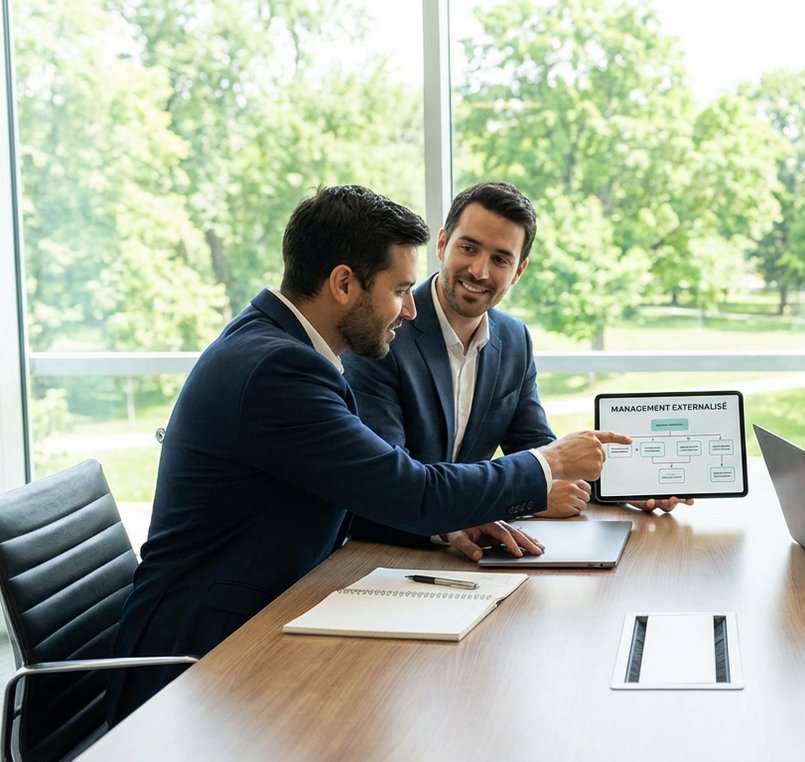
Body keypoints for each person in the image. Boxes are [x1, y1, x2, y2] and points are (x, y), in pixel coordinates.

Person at [108, 185, 630, 722]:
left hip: (269, 615)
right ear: (343, 284)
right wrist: (550, 463)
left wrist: (450, 527)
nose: (409, 309)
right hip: (201, 661)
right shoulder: (279, 371)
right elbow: (411, 489)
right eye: (400, 289)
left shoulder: (288, 349)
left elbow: (357, 492)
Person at [345, 182, 687, 556]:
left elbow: (537, 447)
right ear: (442, 244)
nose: (479, 270)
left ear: (519, 270)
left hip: (477, 554)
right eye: (469, 248)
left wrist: (625, 483)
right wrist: (523, 498)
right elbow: (385, 489)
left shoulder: (514, 338)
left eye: (501, 259)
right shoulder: (384, 333)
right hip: (387, 555)